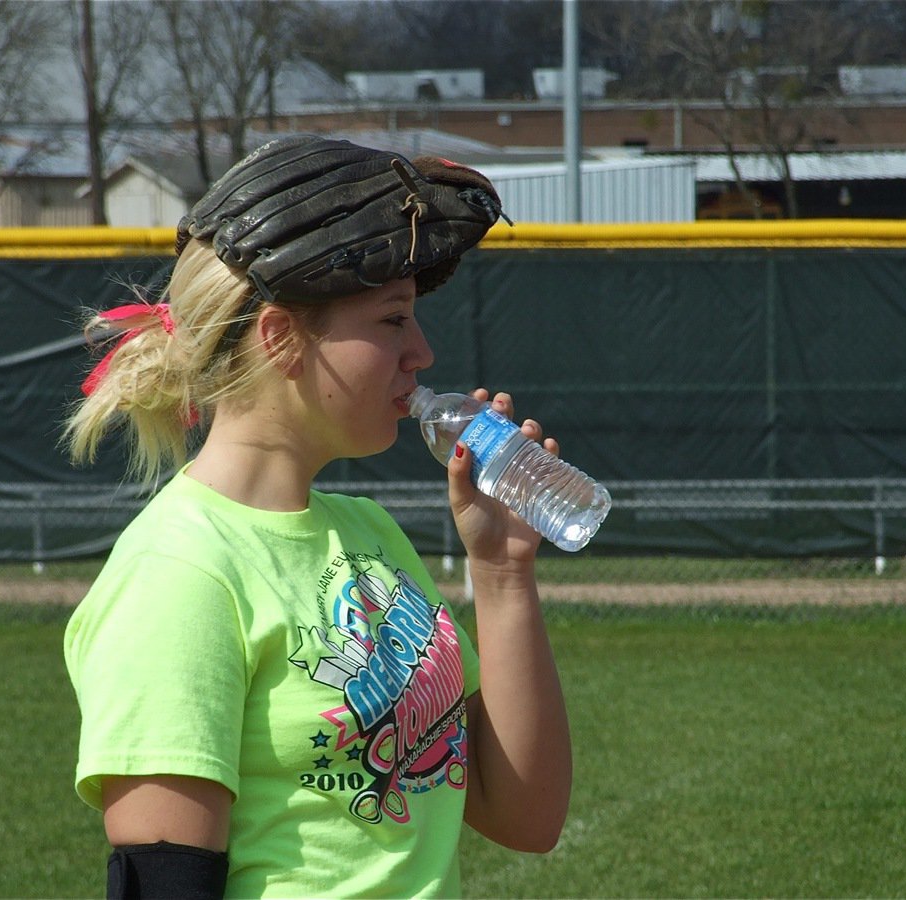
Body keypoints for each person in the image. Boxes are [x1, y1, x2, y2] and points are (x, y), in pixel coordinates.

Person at [62, 135, 571, 899]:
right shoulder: (178, 575)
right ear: (281, 339)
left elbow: (527, 816)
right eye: (393, 320)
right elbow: (164, 882)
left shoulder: (368, 534)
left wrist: (501, 573)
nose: (423, 353)